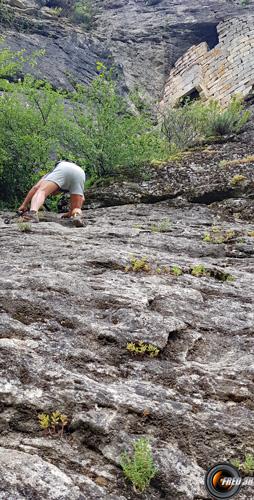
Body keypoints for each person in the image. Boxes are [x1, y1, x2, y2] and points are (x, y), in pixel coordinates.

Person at [18, 160, 86, 227]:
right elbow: (82, 199)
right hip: (80, 172)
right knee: (77, 208)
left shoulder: (52, 173)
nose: (51, 194)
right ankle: (77, 216)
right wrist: (70, 212)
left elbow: (36, 188)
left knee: (42, 191)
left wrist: (24, 205)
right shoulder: (72, 177)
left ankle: (32, 213)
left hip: (63, 167)